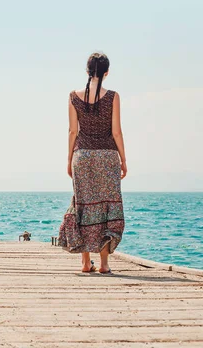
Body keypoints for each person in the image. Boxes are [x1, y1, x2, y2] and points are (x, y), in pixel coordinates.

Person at [58, 52, 127, 274]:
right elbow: (116, 131)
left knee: (83, 206)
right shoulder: (113, 97)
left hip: (83, 156)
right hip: (107, 157)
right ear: (106, 72)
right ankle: (105, 264)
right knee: (107, 208)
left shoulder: (73, 96)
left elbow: (72, 131)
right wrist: (123, 160)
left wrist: (69, 159)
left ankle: (85, 263)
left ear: (87, 71)